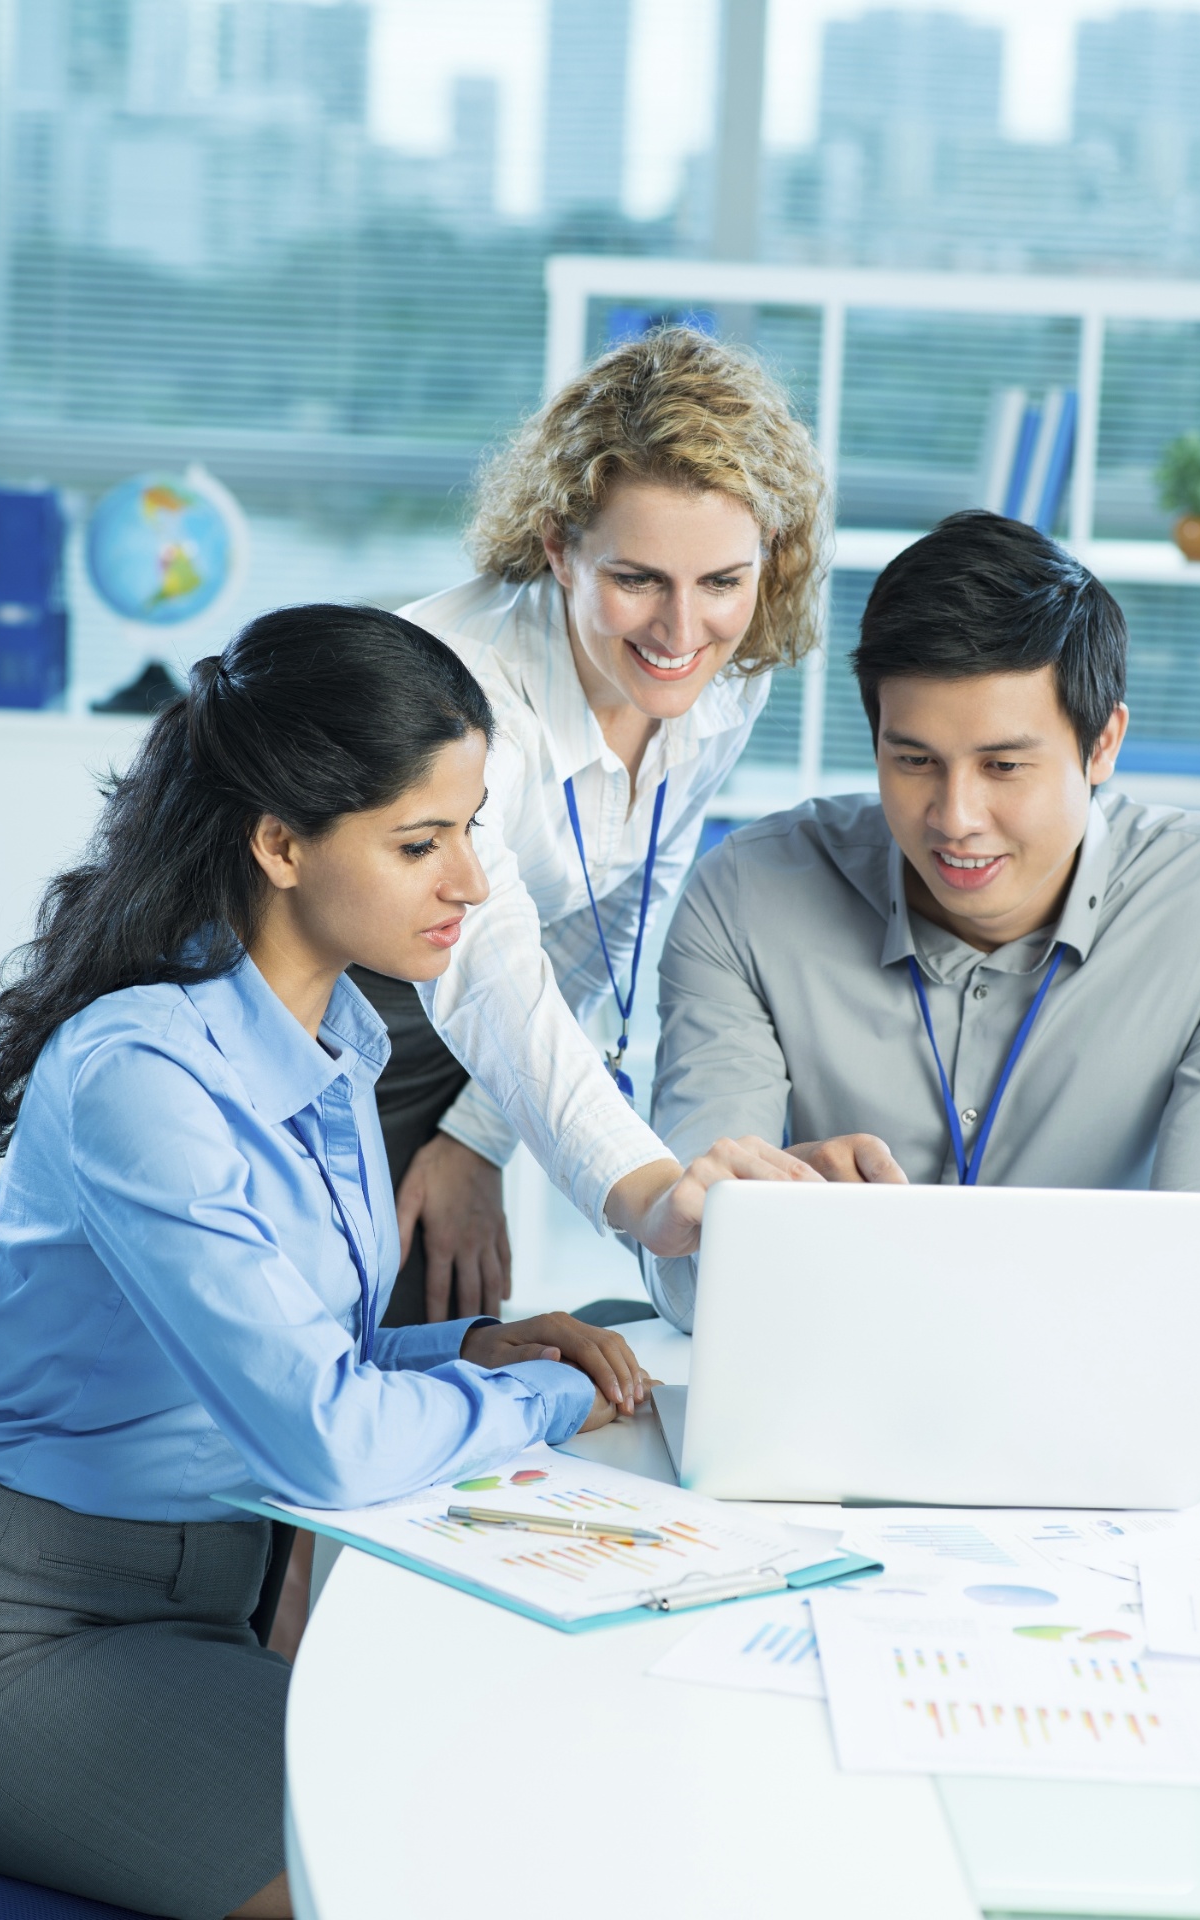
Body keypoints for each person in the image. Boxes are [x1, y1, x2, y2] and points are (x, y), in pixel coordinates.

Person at [0, 607, 812, 1920]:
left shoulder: (341, 1043)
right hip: (34, 1636)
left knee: (561, 1793)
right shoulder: (140, 1077)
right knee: (438, 1865)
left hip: (203, 1609)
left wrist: (475, 1345)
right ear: (279, 844)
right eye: (421, 844)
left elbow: (321, 1353)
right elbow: (325, 1440)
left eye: (471, 831)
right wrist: (552, 1396)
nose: (471, 884)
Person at [641, 510, 1200, 1356]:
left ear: (1102, 741)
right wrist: (750, 1219)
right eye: (913, 760)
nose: (954, 819)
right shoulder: (747, 897)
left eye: (1003, 766)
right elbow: (681, 1275)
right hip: (825, 1387)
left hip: (1094, 1396)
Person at [352, 325, 829, 1324]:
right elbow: (487, 959)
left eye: (722, 583)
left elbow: (612, 908)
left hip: (475, 1030)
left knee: (439, 1336)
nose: (681, 631)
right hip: (332, 1007)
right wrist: (648, 1193)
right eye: (638, 579)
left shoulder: (726, 676)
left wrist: (478, 1136)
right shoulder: (468, 693)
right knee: (336, 1356)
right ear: (560, 547)